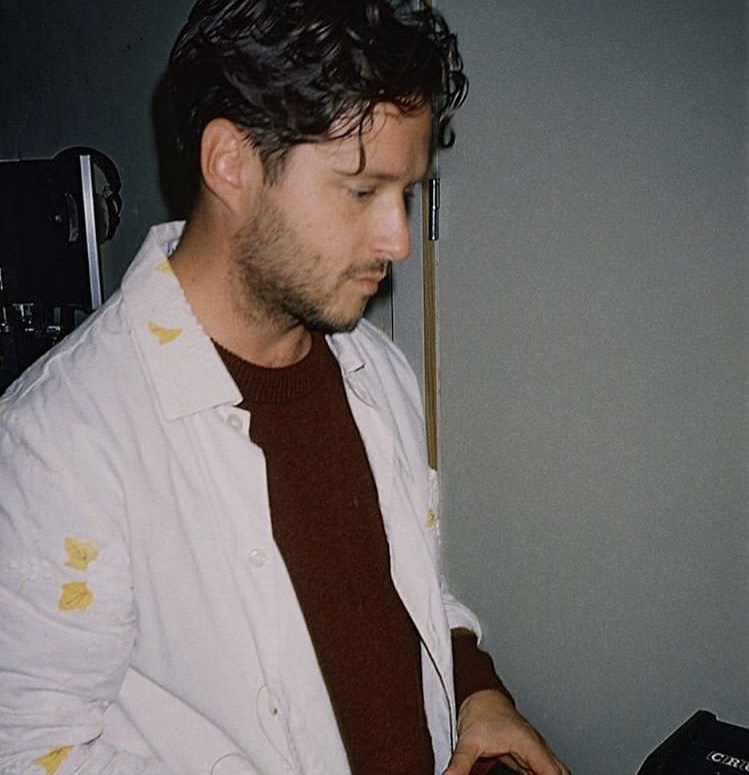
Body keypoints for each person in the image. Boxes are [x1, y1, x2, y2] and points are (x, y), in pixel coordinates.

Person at [0, 2, 570, 774]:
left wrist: (475, 690)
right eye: (361, 191)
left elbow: (406, 591)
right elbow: (27, 750)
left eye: (404, 194)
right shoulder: (55, 445)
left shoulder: (376, 370)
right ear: (230, 162)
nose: (397, 240)